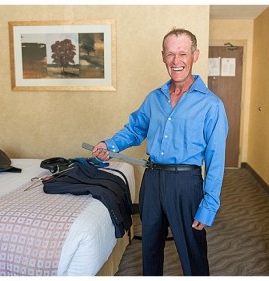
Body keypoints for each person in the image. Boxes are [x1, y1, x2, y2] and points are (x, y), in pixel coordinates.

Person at [92, 28, 228, 276]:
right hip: (152, 182)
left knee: (192, 251)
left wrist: (209, 205)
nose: (176, 61)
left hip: (186, 184)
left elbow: (216, 161)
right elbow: (134, 130)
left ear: (195, 56)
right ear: (163, 57)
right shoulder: (154, 98)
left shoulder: (212, 105)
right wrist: (109, 145)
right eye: (170, 54)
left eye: (183, 54)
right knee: (150, 248)